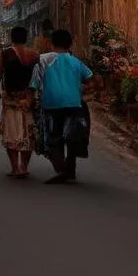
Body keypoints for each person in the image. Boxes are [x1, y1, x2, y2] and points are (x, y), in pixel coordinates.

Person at [30, 28, 93, 184]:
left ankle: (62, 169)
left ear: (51, 43)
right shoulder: (76, 62)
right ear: (70, 44)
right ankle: (70, 169)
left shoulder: (42, 60)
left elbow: (33, 84)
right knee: (72, 137)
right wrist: (83, 90)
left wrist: (30, 100)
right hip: (74, 104)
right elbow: (92, 80)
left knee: (53, 139)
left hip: (51, 104)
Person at [0, 25, 38, 178]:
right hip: (29, 99)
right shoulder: (34, 55)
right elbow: (39, 77)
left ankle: (15, 168)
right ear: (26, 38)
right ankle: (23, 166)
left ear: (12, 38)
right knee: (28, 132)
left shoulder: (5, 54)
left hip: (11, 99)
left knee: (10, 133)